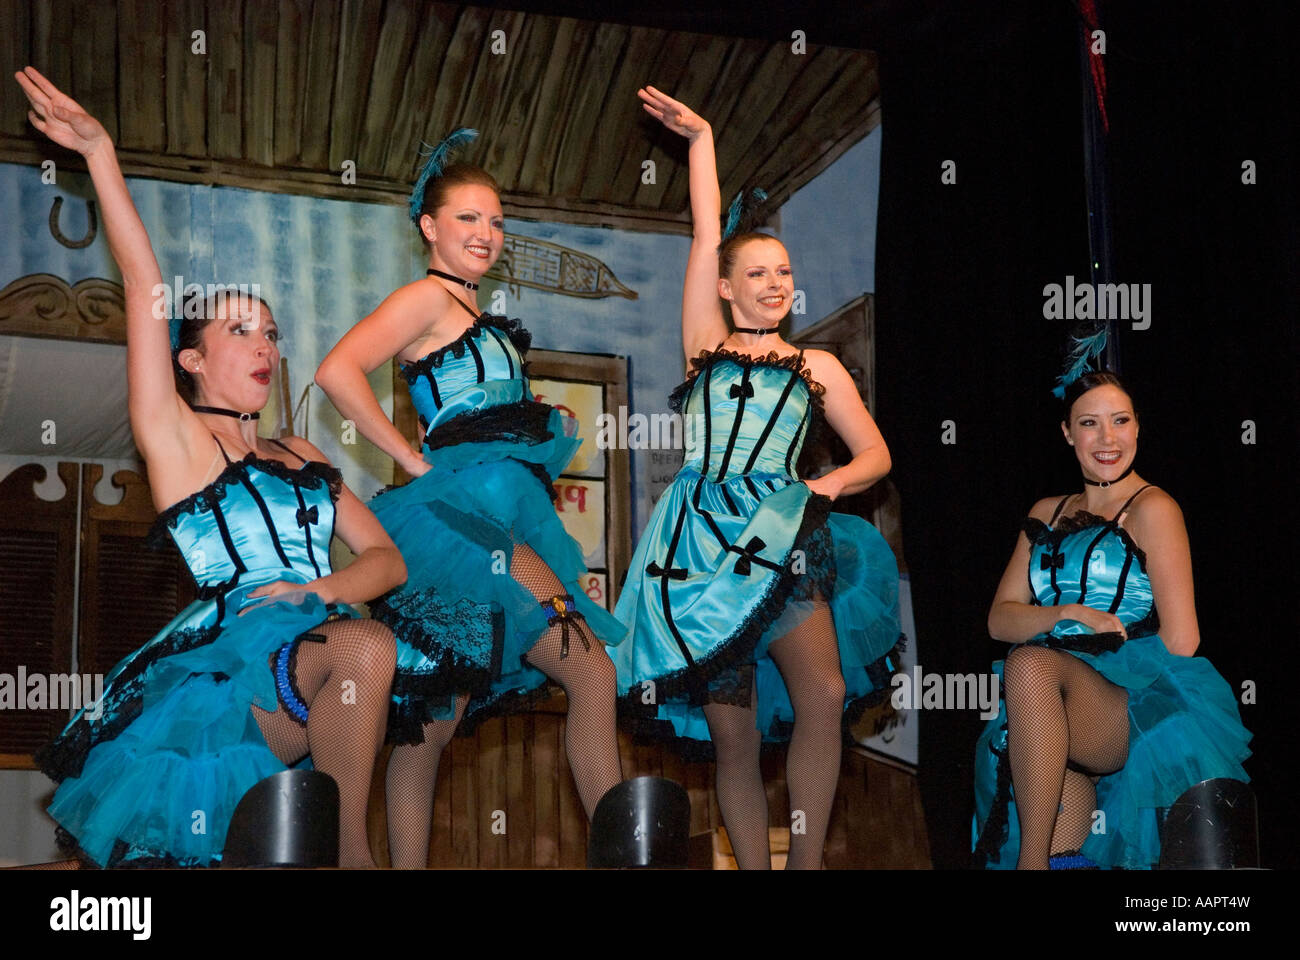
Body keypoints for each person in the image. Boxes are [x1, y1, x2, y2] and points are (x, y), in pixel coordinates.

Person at [17, 67, 405, 869]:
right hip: (229, 675)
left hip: (319, 642)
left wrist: (319, 589)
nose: (264, 345)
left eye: (269, 332)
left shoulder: (300, 454)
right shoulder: (177, 438)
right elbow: (146, 287)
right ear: (191, 358)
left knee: (375, 655)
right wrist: (99, 155)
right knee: (365, 651)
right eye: (239, 331)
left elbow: (385, 559)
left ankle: (347, 853)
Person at [610, 87, 904, 870]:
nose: (776, 284)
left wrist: (822, 489)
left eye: (784, 272)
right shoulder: (705, 349)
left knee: (828, 695)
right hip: (699, 546)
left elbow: (876, 456)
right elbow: (705, 231)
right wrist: (702, 139)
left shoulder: (820, 367)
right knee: (730, 737)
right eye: (758, 273)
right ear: (727, 287)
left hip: (783, 531)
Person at [314, 130, 625, 868]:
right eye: (468, 219)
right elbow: (336, 370)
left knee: (436, 715)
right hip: (457, 522)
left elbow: (474, 412)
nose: (487, 234)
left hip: (493, 517)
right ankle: (627, 861)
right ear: (429, 226)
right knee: (592, 671)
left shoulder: (480, 316)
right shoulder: (425, 296)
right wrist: (409, 461)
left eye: (496, 221)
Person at [972, 369, 1252, 869]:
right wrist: (1067, 614)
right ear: (1066, 433)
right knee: (1067, 852)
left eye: (1120, 421)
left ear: (1138, 427)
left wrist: (1122, 672)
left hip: (1128, 705)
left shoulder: (1154, 508)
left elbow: (1183, 638)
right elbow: (999, 619)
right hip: (1051, 710)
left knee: (1030, 665)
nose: (1107, 439)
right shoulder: (1045, 510)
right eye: (1089, 424)